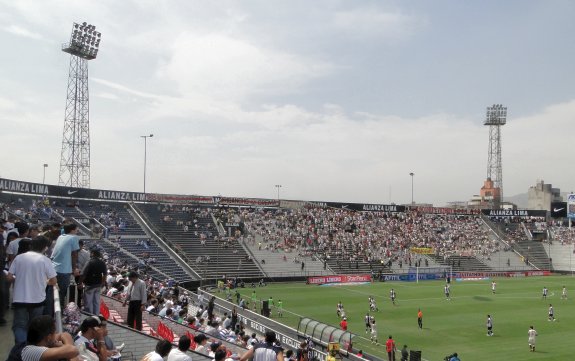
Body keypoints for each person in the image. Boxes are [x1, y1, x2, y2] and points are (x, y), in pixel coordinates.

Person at [7, 236, 57, 344]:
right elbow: (53, 281)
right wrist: (43, 281)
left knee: (20, 326)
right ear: (44, 248)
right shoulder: (45, 260)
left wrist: (19, 278)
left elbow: (9, 277)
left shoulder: (19, 258)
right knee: (35, 326)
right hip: (38, 299)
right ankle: (31, 351)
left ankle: (21, 348)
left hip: (19, 299)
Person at [51, 223, 80, 309]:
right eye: (76, 229)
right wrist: (74, 268)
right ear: (72, 230)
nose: (77, 231)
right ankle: (58, 312)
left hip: (53, 268)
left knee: (52, 292)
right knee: (61, 293)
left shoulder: (60, 236)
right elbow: (74, 254)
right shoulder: (73, 237)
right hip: (64, 269)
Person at [80, 249, 107, 315]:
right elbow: (105, 274)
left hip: (90, 284)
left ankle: (89, 315)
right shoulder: (102, 262)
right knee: (96, 301)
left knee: (88, 301)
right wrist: (103, 283)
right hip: (98, 284)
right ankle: (96, 314)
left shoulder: (89, 262)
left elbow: (83, 274)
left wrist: (79, 282)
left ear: (93, 254)